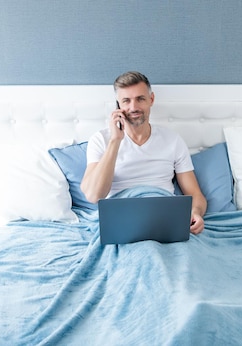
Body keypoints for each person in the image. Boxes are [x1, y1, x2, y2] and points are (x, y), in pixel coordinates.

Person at [81, 71, 207, 234]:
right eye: (126, 101)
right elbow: (93, 195)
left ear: (151, 99)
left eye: (140, 99)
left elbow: (195, 194)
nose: (133, 107)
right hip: (122, 219)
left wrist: (195, 212)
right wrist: (115, 140)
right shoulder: (101, 140)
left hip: (164, 219)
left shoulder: (173, 140)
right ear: (118, 105)